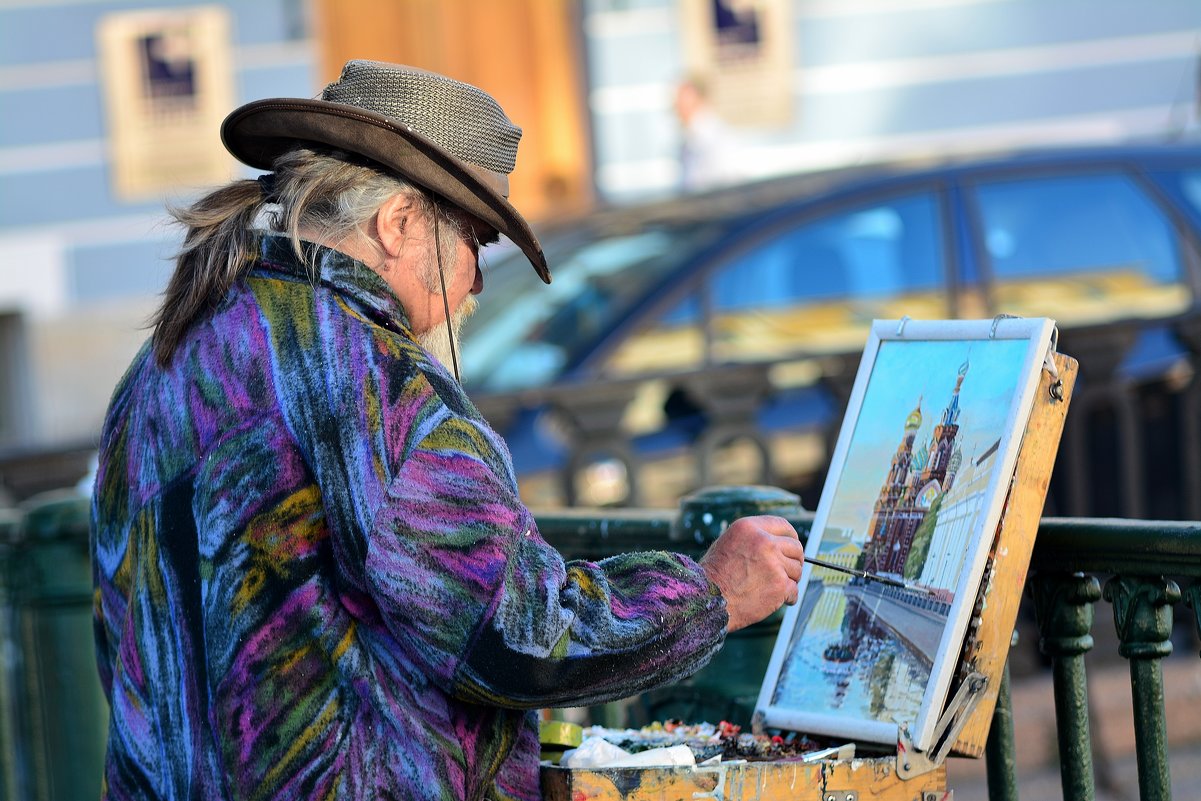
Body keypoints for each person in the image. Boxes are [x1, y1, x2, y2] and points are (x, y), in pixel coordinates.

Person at [90, 59, 804, 801]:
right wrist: (712, 590)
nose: (475, 278)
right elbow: (512, 636)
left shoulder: (167, 359)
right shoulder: (375, 381)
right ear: (398, 222)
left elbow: (124, 647)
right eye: (473, 239)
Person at [674, 74, 743, 192]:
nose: (676, 106)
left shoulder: (718, 137)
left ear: (699, 100)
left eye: (682, 100)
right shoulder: (689, 138)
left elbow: (729, 182)